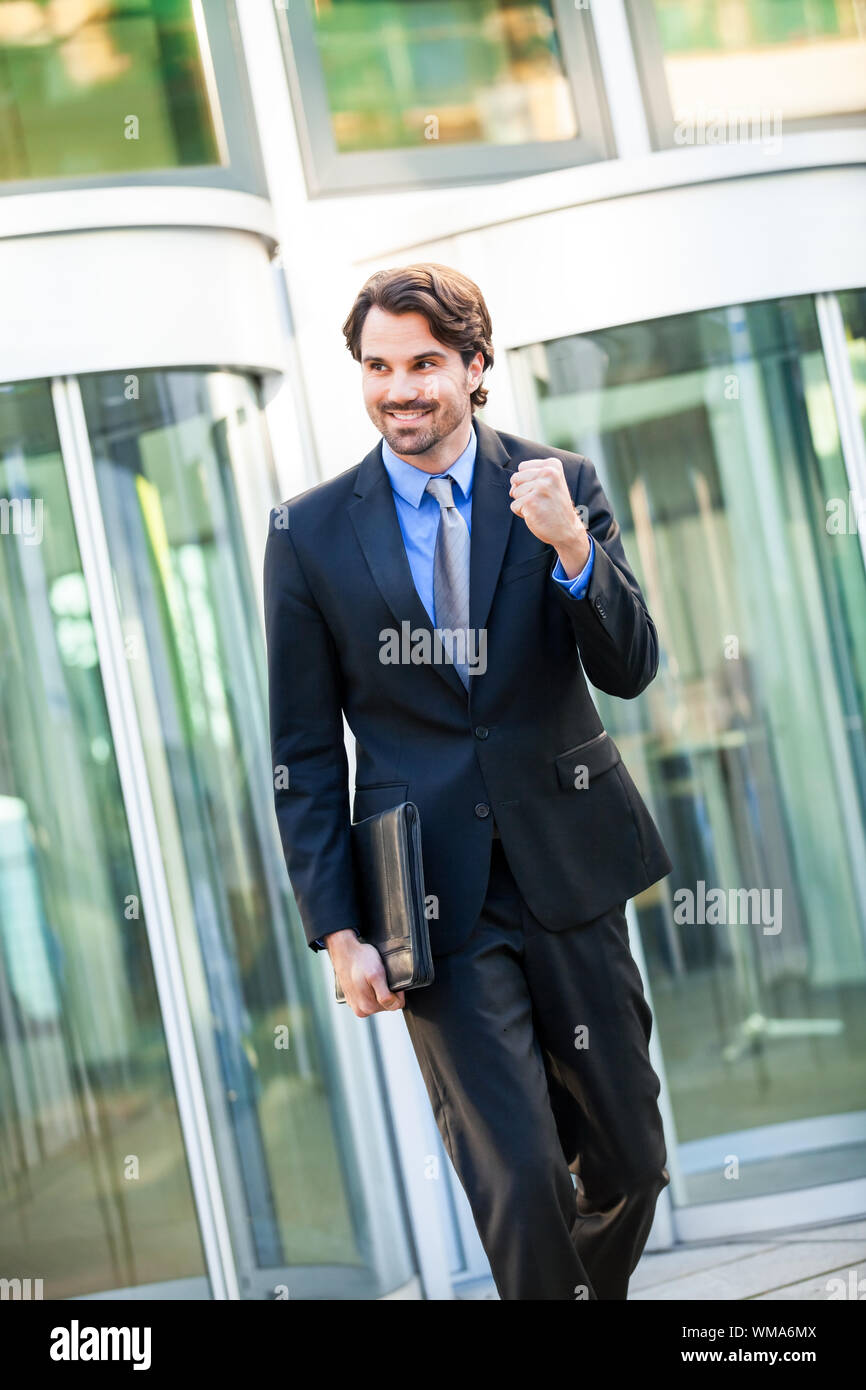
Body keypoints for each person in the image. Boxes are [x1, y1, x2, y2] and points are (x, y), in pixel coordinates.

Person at [263, 262, 673, 1300]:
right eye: (376, 367)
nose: (398, 389)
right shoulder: (307, 534)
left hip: (566, 867)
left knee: (630, 1159)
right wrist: (339, 927)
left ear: (475, 365)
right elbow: (302, 748)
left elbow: (628, 669)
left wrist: (571, 546)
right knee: (521, 1178)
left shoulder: (556, 482)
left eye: (424, 364)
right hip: (430, 901)